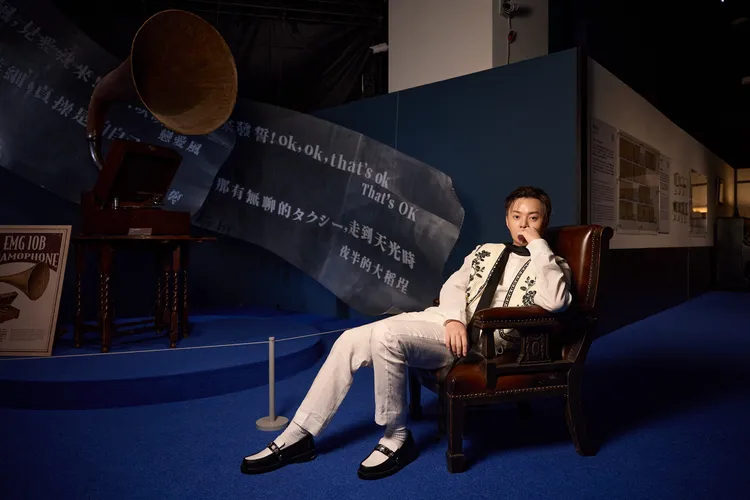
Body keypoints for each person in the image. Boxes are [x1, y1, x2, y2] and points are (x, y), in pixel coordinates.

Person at [241, 186, 573, 480]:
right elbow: (454, 286)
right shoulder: (485, 250)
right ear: (506, 220)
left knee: (387, 336)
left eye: (533, 218)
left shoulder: (553, 264)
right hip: (446, 325)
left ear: (544, 221)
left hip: (482, 343)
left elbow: (556, 301)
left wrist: (539, 247)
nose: (524, 224)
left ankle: (396, 437)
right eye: (517, 216)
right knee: (349, 340)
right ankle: (299, 433)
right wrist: (454, 320)